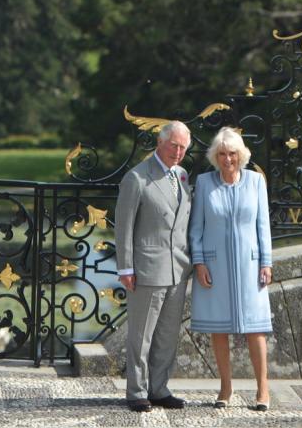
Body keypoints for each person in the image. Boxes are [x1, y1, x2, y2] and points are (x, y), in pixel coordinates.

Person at [189, 126, 273, 411]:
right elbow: (196, 228)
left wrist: (267, 261)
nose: (227, 159)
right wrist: (199, 261)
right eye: (222, 154)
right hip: (214, 265)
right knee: (219, 328)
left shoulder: (255, 182)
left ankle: (263, 389)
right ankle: (225, 387)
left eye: (232, 154)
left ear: (241, 155)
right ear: (215, 156)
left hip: (250, 265)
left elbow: (264, 225)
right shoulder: (204, 183)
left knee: (256, 328)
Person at [114, 120, 193, 413]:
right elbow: (124, 227)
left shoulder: (182, 175)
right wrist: (125, 268)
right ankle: (137, 391)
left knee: (168, 335)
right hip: (147, 268)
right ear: (159, 142)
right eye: (174, 145)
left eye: (183, 147)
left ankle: (159, 389)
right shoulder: (137, 178)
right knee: (141, 336)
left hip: (177, 269)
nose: (178, 152)